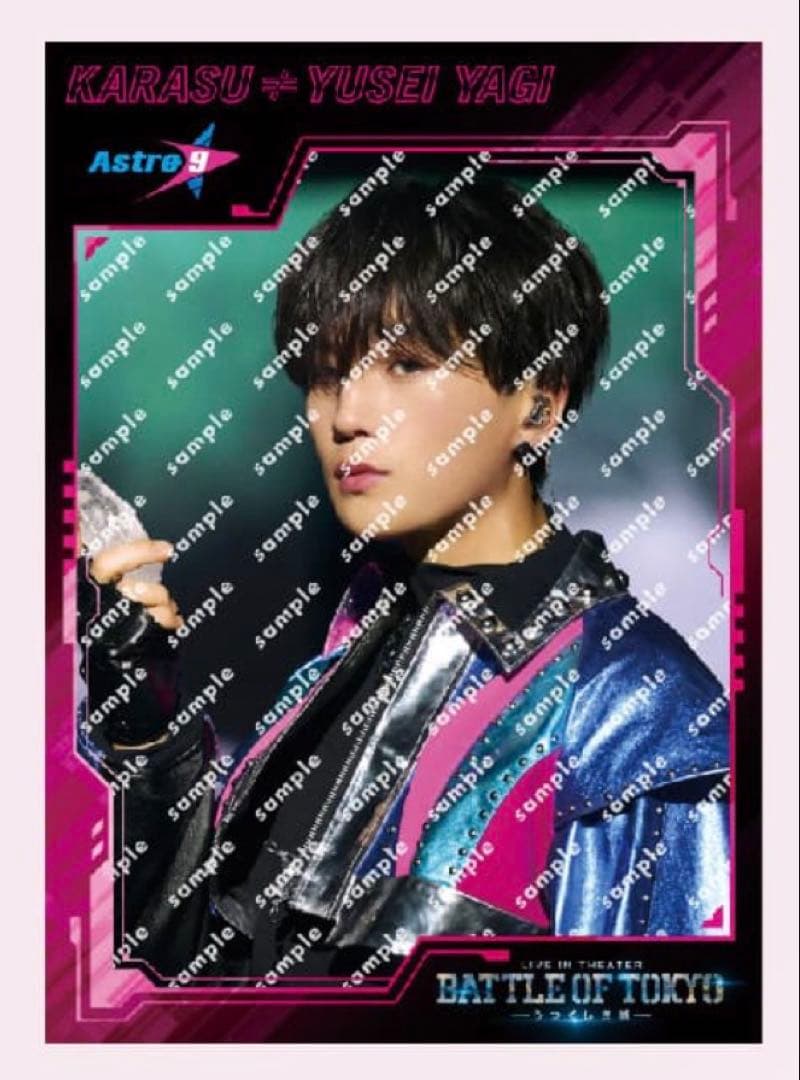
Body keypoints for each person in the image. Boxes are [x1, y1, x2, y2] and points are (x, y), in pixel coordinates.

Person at [78, 173, 730, 986]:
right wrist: (145, 738)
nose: (347, 415)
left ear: (538, 404)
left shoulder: (635, 713)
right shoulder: (341, 665)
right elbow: (186, 977)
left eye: (408, 364)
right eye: (325, 374)